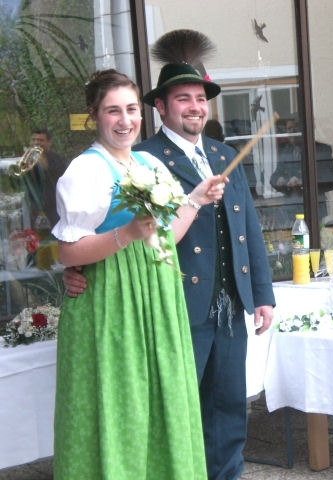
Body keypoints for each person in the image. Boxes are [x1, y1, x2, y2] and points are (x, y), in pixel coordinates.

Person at [64, 29, 276, 480]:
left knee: (228, 410)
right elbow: (79, 239)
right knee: (173, 412)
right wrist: (76, 268)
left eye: (200, 98)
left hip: (227, 303)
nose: (194, 107)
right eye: (183, 99)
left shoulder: (217, 154)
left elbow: (245, 230)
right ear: (160, 107)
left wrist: (261, 292)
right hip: (171, 303)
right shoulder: (142, 156)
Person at [53, 69, 225, 479]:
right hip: (114, 299)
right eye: (113, 110)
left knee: (162, 397)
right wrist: (126, 234)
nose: (125, 120)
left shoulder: (149, 163)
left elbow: (165, 237)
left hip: (158, 295)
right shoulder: (85, 171)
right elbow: (66, 250)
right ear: (95, 114)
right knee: (121, 399)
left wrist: (195, 199)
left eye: (131, 109)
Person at [269, 117, 333, 225]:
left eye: (295, 129)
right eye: (289, 129)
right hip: (290, 210)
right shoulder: (285, 151)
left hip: (313, 210)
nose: (292, 132)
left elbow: (331, 180)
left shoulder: (321, 150)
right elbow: (274, 177)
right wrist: (280, 180)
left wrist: (302, 182)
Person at [29, 127, 68, 228]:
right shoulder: (28, 158)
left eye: (40, 140)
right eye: (34, 140)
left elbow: (58, 177)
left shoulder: (55, 158)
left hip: (52, 206)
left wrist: (43, 163)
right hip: (34, 205)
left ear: (49, 143)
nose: (36, 143)